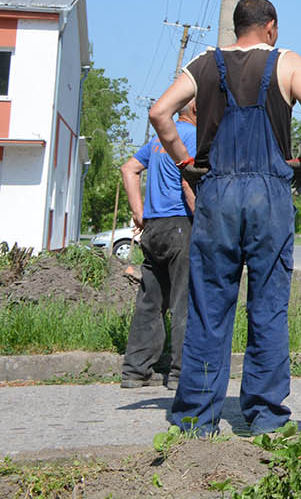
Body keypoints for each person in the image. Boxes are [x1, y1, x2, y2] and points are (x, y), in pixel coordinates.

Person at [149, 0, 301, 436]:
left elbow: (159, 112)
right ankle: (265, 416)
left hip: (218, 192)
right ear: (270, 27)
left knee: (210, 305)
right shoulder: (286, 62)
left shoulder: (205, 63)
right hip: (270, 195)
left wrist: (183, 161)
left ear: (236, 28)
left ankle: (196, 416)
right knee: (267, 306)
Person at [119, 102, 198, 390]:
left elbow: (129, 169)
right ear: (194, 107)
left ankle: (135, 372)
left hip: (153, 228)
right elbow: (189, 182)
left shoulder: (158, 140)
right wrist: (203, 219)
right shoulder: (192, 137)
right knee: (183, 302)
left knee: (150, 302)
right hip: (181, 225)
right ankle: (179, 374)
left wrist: (139, 212)